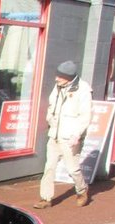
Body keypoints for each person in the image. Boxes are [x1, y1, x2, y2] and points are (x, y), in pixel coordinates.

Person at [35, 60, 93, 209]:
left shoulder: (83, 90)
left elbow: (85, 116)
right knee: (49, 167)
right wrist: (50, 119)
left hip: (70, 137)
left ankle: (82, 190)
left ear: (69, 77)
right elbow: (51, 105)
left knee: (73, 169)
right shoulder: (58, 86)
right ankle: (45, 198)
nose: (56, 79)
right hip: (54, 134)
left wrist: (76, 135)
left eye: (60, 76)